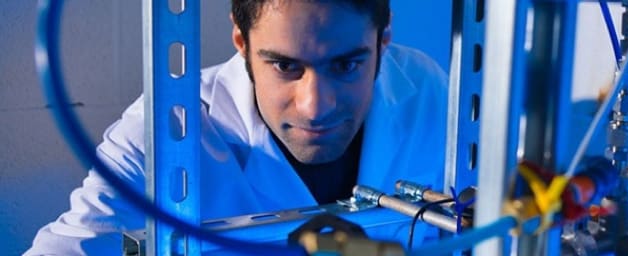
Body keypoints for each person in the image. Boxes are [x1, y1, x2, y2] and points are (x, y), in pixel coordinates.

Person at [25, 0, 447, 254]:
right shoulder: (167, 131)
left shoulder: (424, 88)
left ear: (383, 38)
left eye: (346, 65)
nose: (315, 106)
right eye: (285, 66)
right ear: (242, 42)